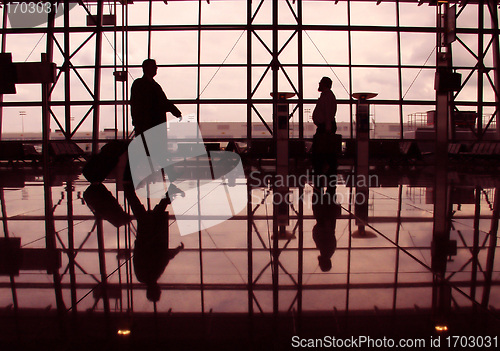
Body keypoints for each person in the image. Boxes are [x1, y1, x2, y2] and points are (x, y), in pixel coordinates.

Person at [130, 58, 182, 135]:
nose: (156, 68)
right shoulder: (153, 86)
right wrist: (176, 112)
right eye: (153, 66)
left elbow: (135, 104)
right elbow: (163, 102)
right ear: (146, 68)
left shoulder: (140, 84)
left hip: (148, 124)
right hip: (152, 124)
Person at [311, 77, 338, 195]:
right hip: (325, 127)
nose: (319, 84)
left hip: (325, 127)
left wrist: (327, 128)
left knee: (321, 152)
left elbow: (327, 113)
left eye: (320, 83)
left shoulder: (327, 96)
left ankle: (323, 171)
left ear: (324, 84)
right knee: (327, 152)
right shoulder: (327, 95)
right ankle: (327, 172)